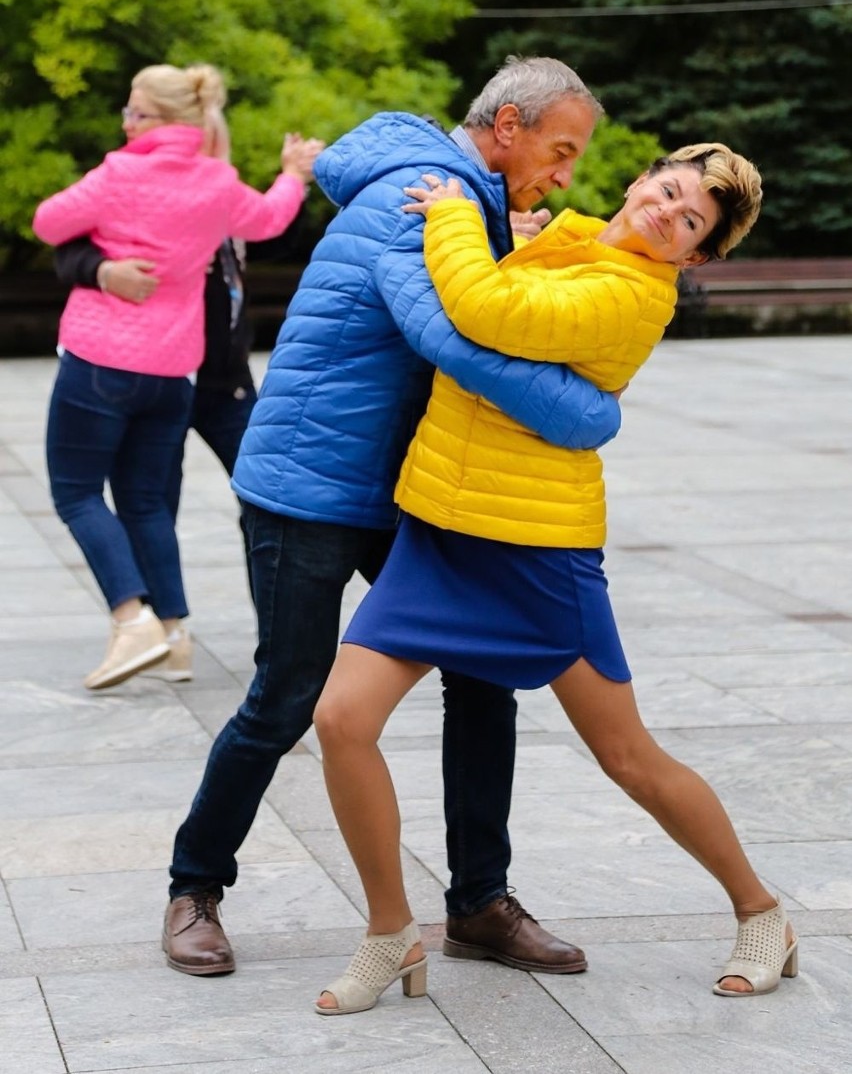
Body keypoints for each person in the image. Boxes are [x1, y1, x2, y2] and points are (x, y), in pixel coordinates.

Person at [162, 55, 624, 980]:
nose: (567, 173)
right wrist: (586, 409)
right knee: (289, 690)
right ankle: (194, 888)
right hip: (311, 483)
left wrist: (512, 243)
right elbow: (456, 331)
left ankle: (480, 905)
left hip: (398, 488)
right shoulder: (422, 196)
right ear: (507, 130)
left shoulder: (464, 198)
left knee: (482, 674)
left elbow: (479, 294)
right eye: (560, 150)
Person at [312, 143, 799, 1014]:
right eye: (671, 189)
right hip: (441, 526)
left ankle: (762, 914)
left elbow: (489, 309)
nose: (668, 212)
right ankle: (391, 934)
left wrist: (458, 219)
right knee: (341, 720)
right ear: (641, 179)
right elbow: (512, 291)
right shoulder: (571, 242)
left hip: (535, 549)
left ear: (694, 255)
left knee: (627, 756)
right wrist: (506, 234)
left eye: (691, 221)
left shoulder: (627, 295)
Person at [33, 62, 322, 691]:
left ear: (159, 118)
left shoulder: (120, 173)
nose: (124, 120)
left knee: (76, 493)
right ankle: (173, 638)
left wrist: (110, 249)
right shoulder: (217, 183)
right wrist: (294, 175)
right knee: (143, 503)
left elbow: (50, 222)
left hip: (101, 361)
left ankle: (129, 616)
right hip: (174, 372)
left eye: (133, 111)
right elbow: (271, 219)